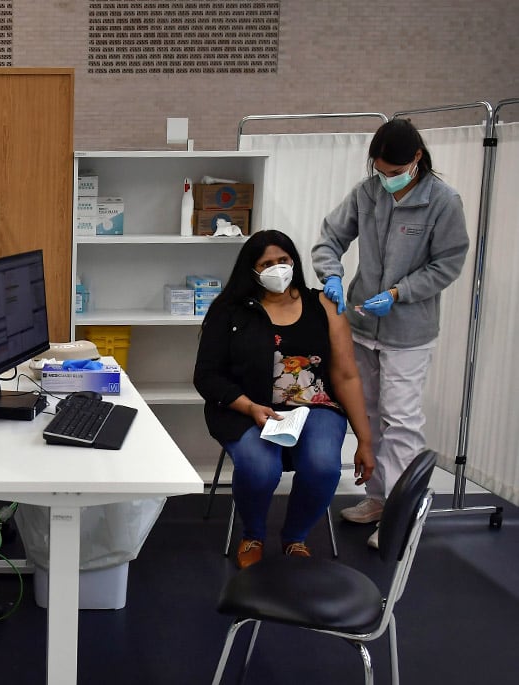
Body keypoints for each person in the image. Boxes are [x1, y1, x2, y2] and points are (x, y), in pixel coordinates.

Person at [312, 119, 469, 548]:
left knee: (401, 422)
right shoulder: (368, 192)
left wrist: (400, 292)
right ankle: (378, 499)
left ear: (416, 158)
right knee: (368, 416)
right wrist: (331, 275)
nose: (385, 177)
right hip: (362, 325)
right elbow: (330, 237)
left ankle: (401, 518)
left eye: (393, 169)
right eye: (379, 168)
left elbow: (448, 264)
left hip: (409, 333)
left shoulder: (443, 201)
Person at [194, 230, 374, 569]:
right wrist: (248, 406)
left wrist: (364, 438)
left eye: (283, 260)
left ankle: (295, 538)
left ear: (295, 261)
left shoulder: (323, 305)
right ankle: (253, 535)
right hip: (248, 407)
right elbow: (206, 376)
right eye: (266, 263)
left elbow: (346, 375)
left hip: (315, 406)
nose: (277, 268)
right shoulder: (230, 311)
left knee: (322, 466)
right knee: (260, 467)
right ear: (252, 270)